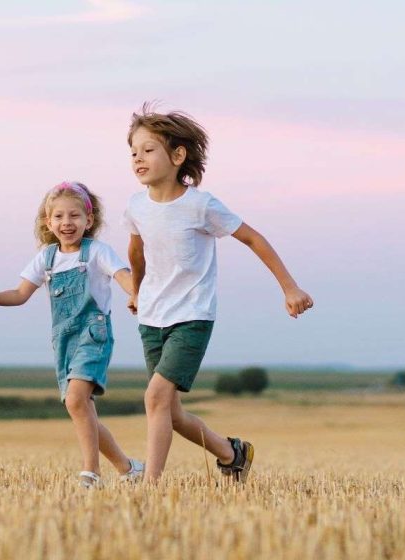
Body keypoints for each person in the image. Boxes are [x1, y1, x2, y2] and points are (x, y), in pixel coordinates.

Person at [123, 103, 314, 483]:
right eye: (133, 152)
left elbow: (252, 238)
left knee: (155, 398)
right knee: (170, 412)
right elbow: (136, 251)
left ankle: (151, 486)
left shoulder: (201, 205)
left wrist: (289, 286)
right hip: (152, 317)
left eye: (148, 150)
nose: (137, 158)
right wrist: (137, 291)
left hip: (191, 316)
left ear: (178, 156)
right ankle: (233, 453)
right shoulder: (136, 207)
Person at [0, 181, 145, 488]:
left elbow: (122, 276)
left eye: (74, 216)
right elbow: (21, 293)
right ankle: (128, 469)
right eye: (58, 217)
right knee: (83, 411)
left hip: (93, 336)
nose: (66, 223)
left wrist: (135, 294)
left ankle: (91, 472)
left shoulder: (97, 252)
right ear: (48, 221)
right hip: (64, 341)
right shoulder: (47, 258)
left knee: (74, 402)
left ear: (89, 220)